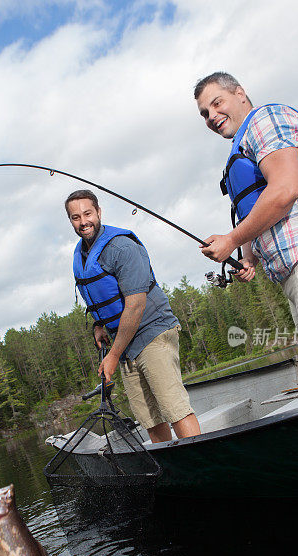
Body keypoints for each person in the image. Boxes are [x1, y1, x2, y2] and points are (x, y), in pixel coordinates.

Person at [194, 71, 298, 391]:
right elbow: (260, 205)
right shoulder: (246, 141)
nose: (212, 116)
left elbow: (284, 190)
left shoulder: (265, 120)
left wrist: (231, 239)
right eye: (204, 113)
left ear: (240, 93)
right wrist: (248, 256)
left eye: (217, 103)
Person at [65, 189, 200, 443]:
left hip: (152, 331)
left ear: (99, 212)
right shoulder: (82, 253)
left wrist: (113, 355)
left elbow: (136, 305)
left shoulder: (121, 247)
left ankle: (202, 461)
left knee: (174, 408)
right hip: (124, 343)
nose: (83, 222)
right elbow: (101, 295)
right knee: (149, 417)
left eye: (87, 213)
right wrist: (99, 324)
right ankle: (171, 468)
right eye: (75, 217)